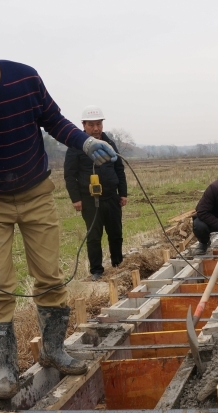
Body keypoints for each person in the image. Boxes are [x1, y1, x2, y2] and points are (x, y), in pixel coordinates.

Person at [0, 0, 119, 400]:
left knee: (48, 275)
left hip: (35, 191)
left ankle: (53, 349)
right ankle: (7, 371)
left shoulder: (23, 79)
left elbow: (54, 119)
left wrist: (85, 140)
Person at [64, 105, 128, 281]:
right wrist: (76, 199)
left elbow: (119, 169)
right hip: (90, 200)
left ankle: (117, 264)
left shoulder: (110, 143)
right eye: (91, 125)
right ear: (84, 125)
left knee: (116, 233)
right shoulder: (75, 146)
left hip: (111, 197)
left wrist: (122, 193)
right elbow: (70, 175)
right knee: (94, 236)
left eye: (98, 124)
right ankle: (97, 270)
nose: (96, 128)